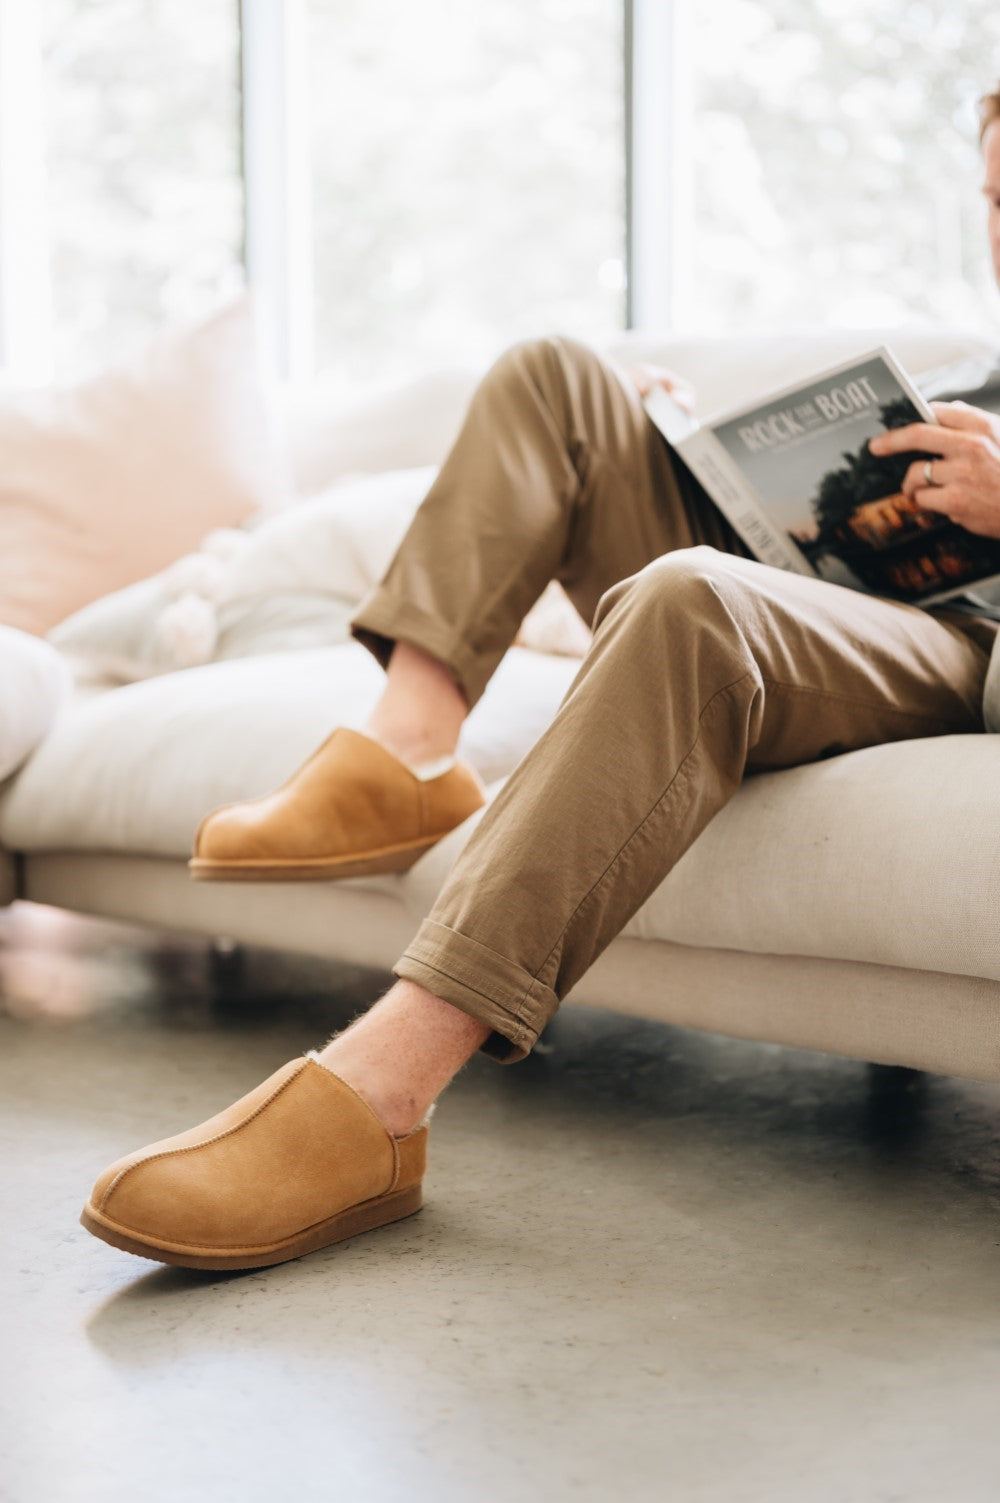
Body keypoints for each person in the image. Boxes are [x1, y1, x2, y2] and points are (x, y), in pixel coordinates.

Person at [80, 88, 1000, 1271]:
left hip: (952, 655)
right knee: (557, 378)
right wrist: (699, 460)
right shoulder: (974, 372)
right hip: (824, 604)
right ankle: (407, 750)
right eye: (991, 200)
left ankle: (378, 1098)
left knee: (690, 598)